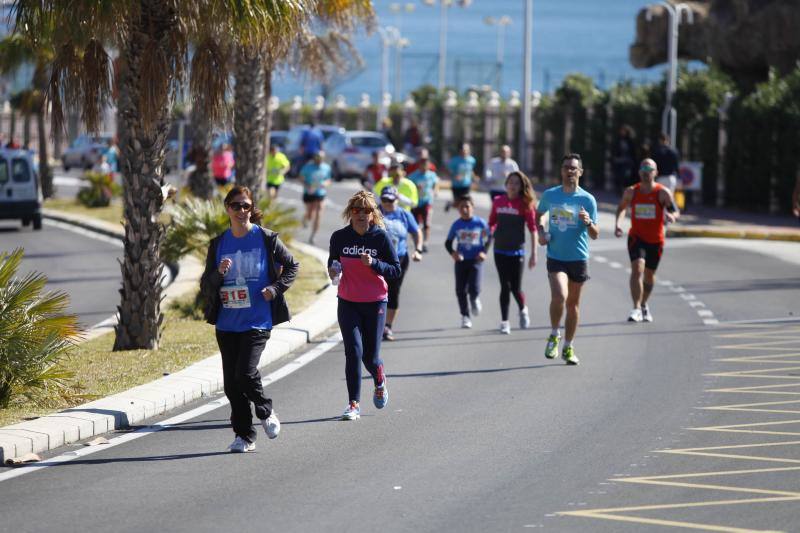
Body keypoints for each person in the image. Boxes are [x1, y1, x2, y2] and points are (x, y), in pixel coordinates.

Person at [199, 186, 299, 453]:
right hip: (227, 322)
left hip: (257, 320)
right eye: (236, 206)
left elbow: (292, 266)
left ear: (252, 209)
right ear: (227, 209)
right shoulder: (219, 243)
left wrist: (275, 289)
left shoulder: (266, 238)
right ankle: (244, 436)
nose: (241, 211)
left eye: (246, 206)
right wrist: (219, 274)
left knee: (245, 373)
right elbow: (205, 285)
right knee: (232, 385)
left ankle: (265, 412)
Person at [328, 190, 401, 420]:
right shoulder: (339, 237)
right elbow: (333, 262)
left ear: (373, 214)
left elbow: (395, 270)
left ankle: (379, 378)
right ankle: (353, 404)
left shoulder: (380, 238)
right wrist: (333, 269)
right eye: (357, 210)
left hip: (375, 302)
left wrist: (375, 263)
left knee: (370, 357)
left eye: (367, 210)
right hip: (348, 301)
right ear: (350, 213)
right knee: (353, 352)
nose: (361, 214)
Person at [536, 153, 598, 366]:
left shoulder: (587, 200)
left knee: (573, 305)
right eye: (566, 167)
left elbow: (595, 234)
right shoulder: (550, 195)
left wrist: (588, 222)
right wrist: (541, 232)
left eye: (573, 168)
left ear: (580, 172)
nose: (569, 171)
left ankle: (569, 346)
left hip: (578, 257)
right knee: (560, 295)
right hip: (556, 256)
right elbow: (539, 215)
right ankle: (554, 334)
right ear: (561, 171)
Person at [615, 158, 680, 322]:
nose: (646, 174)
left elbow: (675, 210)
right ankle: (636, 308)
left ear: (655, 173)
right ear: (639, 173)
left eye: (649, 170)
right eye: (643, 171)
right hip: (636, 237)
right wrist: (618, 224)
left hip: (656, 240)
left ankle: (644, 304)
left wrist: (672, 216)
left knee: (649, 275)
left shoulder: (662, 192)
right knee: (637, 268)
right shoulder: (631, 191)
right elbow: (621, 208)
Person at [488, 171, 538, 334]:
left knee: (515, 288)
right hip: (499, 250)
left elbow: (533, 229)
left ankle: (523, 309)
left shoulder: (525, 204)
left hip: (517, 252)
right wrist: (487, 234)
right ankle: (505, 322)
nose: (513, 185)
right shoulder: (498, 201)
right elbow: (491, 222)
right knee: (504, 286)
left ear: (521, 186)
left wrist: (534, 254)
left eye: (516, 183)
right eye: (510, 182)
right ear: (506, 184)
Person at [379, 186, 423, 341]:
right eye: (384, 200)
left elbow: (416, 231)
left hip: (399, 259)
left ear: (397, 200)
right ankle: (375, 324)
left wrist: (418, 249)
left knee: (393, 292)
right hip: (376, 261)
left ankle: (387, 327)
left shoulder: (404, 214)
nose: (387, 203)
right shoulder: (374, 213)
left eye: (390, 200)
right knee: (375, 292)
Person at [445, 195, 490, 329]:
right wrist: (453, 253)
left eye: (467, 206)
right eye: (461, 207)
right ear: (458, 209)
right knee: (460, 290)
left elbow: (489, 238)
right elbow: (447, 243)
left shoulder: (480, 223)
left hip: (476, 260)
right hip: (461, 261)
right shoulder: (456, 224)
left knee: (474, 288)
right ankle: (465, 316)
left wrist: (484, 252)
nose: (464, 209)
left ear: (473, 208)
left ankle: (475, 298)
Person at [407, 153, 440, 252]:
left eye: (427, 164)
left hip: (427, 202)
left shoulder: (432, 175)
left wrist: (435, 191)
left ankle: (425, 242)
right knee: (415, 225)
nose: (425, 166)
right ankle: (417, 242)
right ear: (419, 165)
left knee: (427, 223)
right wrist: (415, 188)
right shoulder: (413, 176)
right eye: (423, 164)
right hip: (416, 203)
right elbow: (408, 187)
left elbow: (436, 183)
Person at [299, 151, 332, 245]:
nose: (319, 160)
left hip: (320, 193)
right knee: (310, 214)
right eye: (317, 158)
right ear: (314, 158)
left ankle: (313, 235)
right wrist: (307, 186)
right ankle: (305, 218)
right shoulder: (308, 167)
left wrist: (325, 183)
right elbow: (301, 177)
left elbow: (329, 179)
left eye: (321, 158)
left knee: (319, 212)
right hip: (309, 193)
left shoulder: (326, 167)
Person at [446, 143, 478, 211]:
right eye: (463, 150)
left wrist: (474, 177)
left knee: (466, 201)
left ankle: (467, 214)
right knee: (457, 203)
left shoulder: (471, 160)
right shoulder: (454, 160)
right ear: (460, 151)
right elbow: (448, 171)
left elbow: (471, 170)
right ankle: (450, 204)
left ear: (469, 151)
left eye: (466, 150)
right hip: (456, 185)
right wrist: (454, 176)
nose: (464, 151)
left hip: (466, 184)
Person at [611, 125, 637, 192]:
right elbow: (615, 150)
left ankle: (626, 189)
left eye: (624, 131)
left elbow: (633, 152)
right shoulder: (618, 140)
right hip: (619, 162)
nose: (622, 132)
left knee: (627, 177)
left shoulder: (630, 141)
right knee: (619, 177)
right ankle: (619, 189)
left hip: (628, 162)